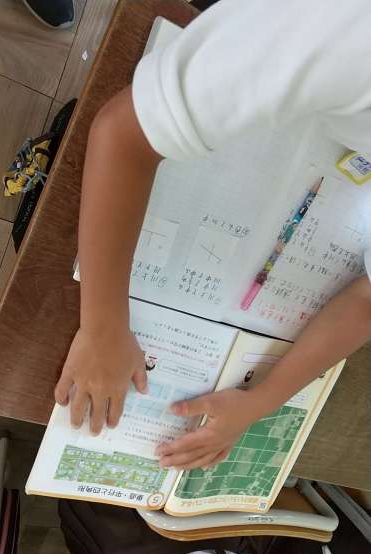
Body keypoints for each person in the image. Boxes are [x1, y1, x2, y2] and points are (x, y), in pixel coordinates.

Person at [54, 0, 371, 472]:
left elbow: (367, 302)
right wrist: (103, 326)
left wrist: (260, 401)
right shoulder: (348, 33)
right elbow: (124, 132)